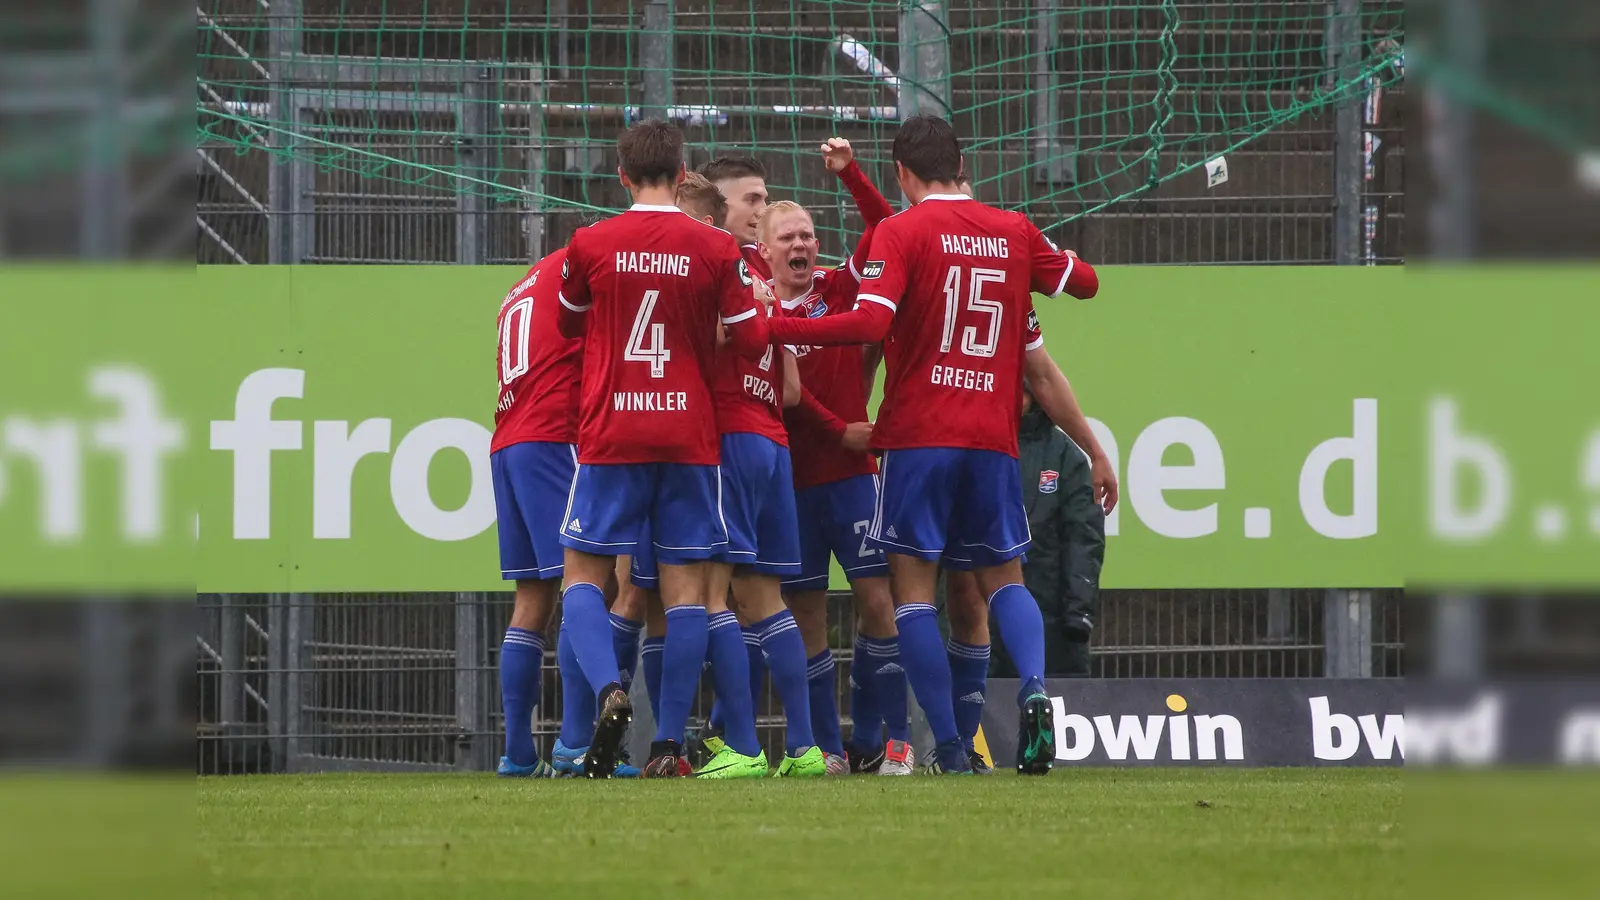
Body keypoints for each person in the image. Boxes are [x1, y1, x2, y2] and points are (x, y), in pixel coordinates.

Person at [767, 114, 1099, 774]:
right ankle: (1034, 689)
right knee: (1005, 580)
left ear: (902, 173)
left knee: (912, 594)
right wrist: (1040, 263)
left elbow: (868, 320)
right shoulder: (1012, 231)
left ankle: (950, 747)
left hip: (918, 438)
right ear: (962, 164)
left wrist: (771, 327)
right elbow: (1085, 282)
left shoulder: (902, 231)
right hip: (992, 438)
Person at [555, 120, 770, 779]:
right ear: (683, 176)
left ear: (621, 176)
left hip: (613, 430)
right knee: (687, 595)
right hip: (688, 436)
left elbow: (569, 320)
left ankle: (608, 692)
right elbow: (751, 338)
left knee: (584, 579)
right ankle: (669, 745)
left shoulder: (590, 243)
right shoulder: (712, 247)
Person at [701, 143, 908, 775]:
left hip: (850, 477)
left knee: (879, 603)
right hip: (793, 477)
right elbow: (789, 398)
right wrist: (834, 426)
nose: (801, 245)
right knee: (807, 618)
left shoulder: (838, 288)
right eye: (787, 236)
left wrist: (851, 175)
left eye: (808, 235)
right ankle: (828, 749)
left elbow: (883, 229)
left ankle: (888, 738)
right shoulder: (754, 301)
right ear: (763, 249)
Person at [944, 348, 1117, 772]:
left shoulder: (1063, 455)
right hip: (995, 612)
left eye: (1023, 392)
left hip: (1051, 617)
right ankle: (982, 734)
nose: (1016, 400)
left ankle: (960, 747)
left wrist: (1079, 612)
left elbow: (1085, 538)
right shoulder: (983, 446)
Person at [488, 249, 576, 778]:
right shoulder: (582, 264)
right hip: (552, 434)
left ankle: (519, 753)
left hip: (509, 440)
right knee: (590, 584)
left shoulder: (520, 286)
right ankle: (576, 740)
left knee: (533, 597)